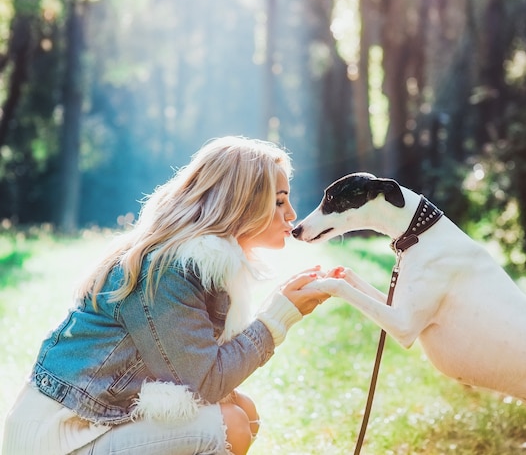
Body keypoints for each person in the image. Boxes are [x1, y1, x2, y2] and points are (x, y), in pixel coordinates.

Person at [2, 136, 337, 455]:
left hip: (91, 422)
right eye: (279, 201)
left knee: (241, 409)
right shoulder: (168, 271)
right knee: (230, 422)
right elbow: (207, 381)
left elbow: (205, 378)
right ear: (241, 204)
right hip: (57, 437)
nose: (291, 214)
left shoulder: (195, 263)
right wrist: (280, 315)